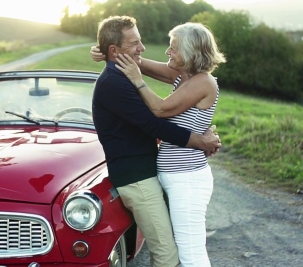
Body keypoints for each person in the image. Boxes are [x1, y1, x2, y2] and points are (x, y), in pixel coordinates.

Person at [92, 22, 226, 267]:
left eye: (173, 48)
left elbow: (160, 110)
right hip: (174, 176)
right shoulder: (182, 75)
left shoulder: (202, 81)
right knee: (177, 247)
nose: (167, 52)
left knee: (190, 253)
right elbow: (141, 64)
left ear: (190, 53)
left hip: (186, 178)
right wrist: (109, 53)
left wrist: (136, 77)